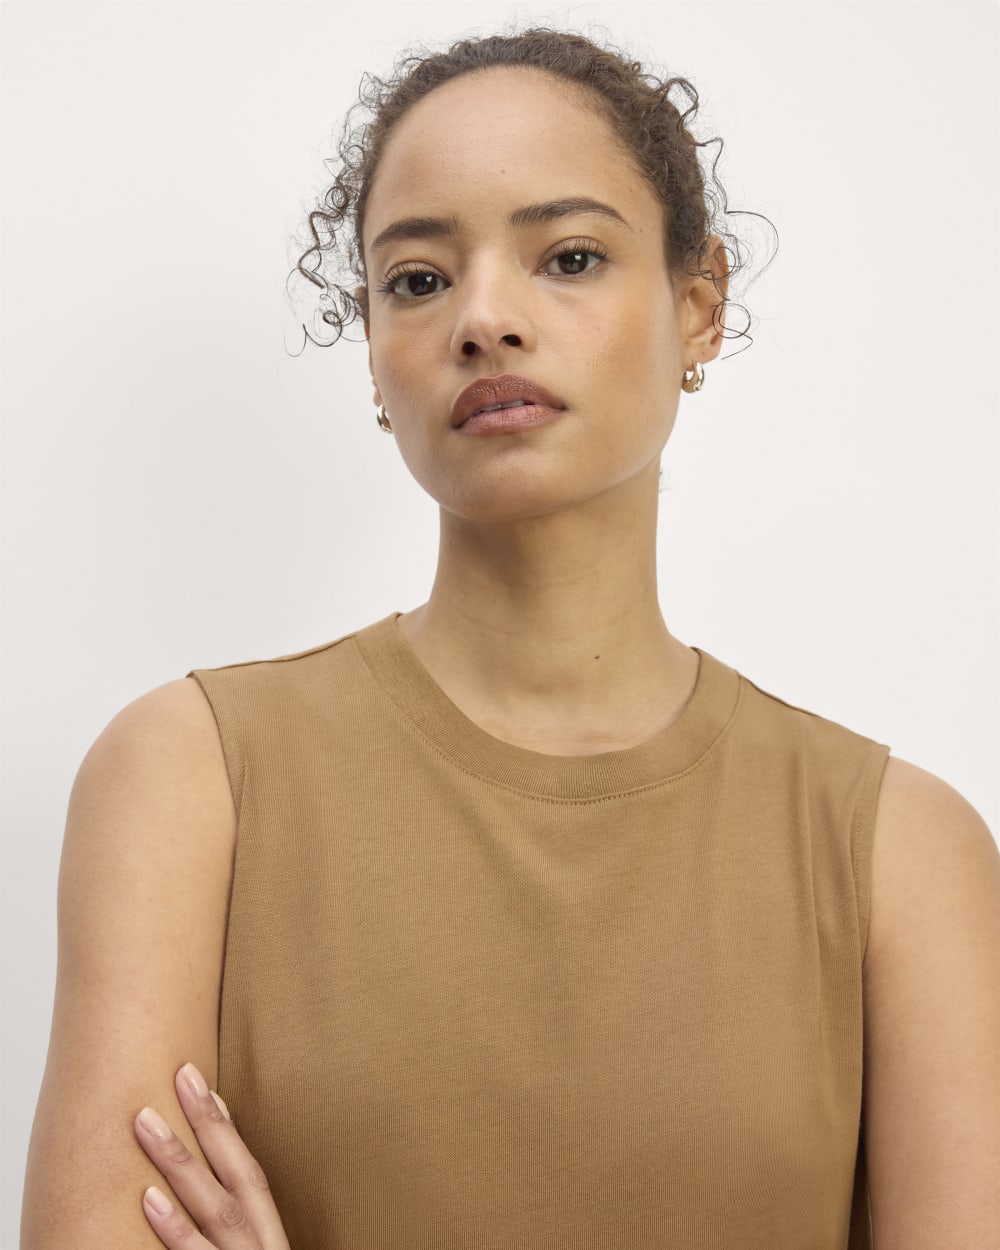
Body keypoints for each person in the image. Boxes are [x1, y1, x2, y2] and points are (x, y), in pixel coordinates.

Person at [20, 26, 1000, 1250]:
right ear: (373, 353)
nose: (482, 318)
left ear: (697, 309)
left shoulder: (899, 851)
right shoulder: (190, 778)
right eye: (417, 279)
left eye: (569, 257)